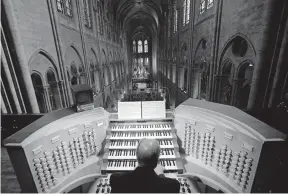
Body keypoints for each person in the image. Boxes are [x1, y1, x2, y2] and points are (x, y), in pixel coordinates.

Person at [110, 139, 180, 193]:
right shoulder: (172, 186)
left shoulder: (116, 180)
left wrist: (135, 171)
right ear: (156, 161)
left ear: (137, 157)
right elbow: (160, 184)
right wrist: (161, 175)